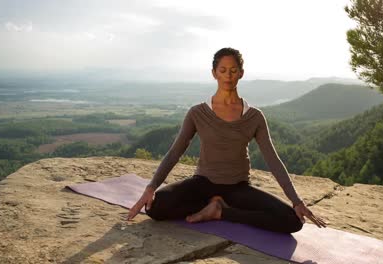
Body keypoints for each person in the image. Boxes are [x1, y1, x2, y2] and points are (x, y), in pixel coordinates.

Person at [127, 47, 327, 233]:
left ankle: (221, 212)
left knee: (292, 220)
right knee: (154, 206)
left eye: (233, 70)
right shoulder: (198, 113)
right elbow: (175, 152)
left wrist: (296, 201)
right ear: (214, 73)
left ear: (241, 73)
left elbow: (273, 160)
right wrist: (151, 187)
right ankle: (210, 205)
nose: (228, 76)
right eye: (223, 70)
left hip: (238, 188)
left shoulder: (254, 116)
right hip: (203, 184)